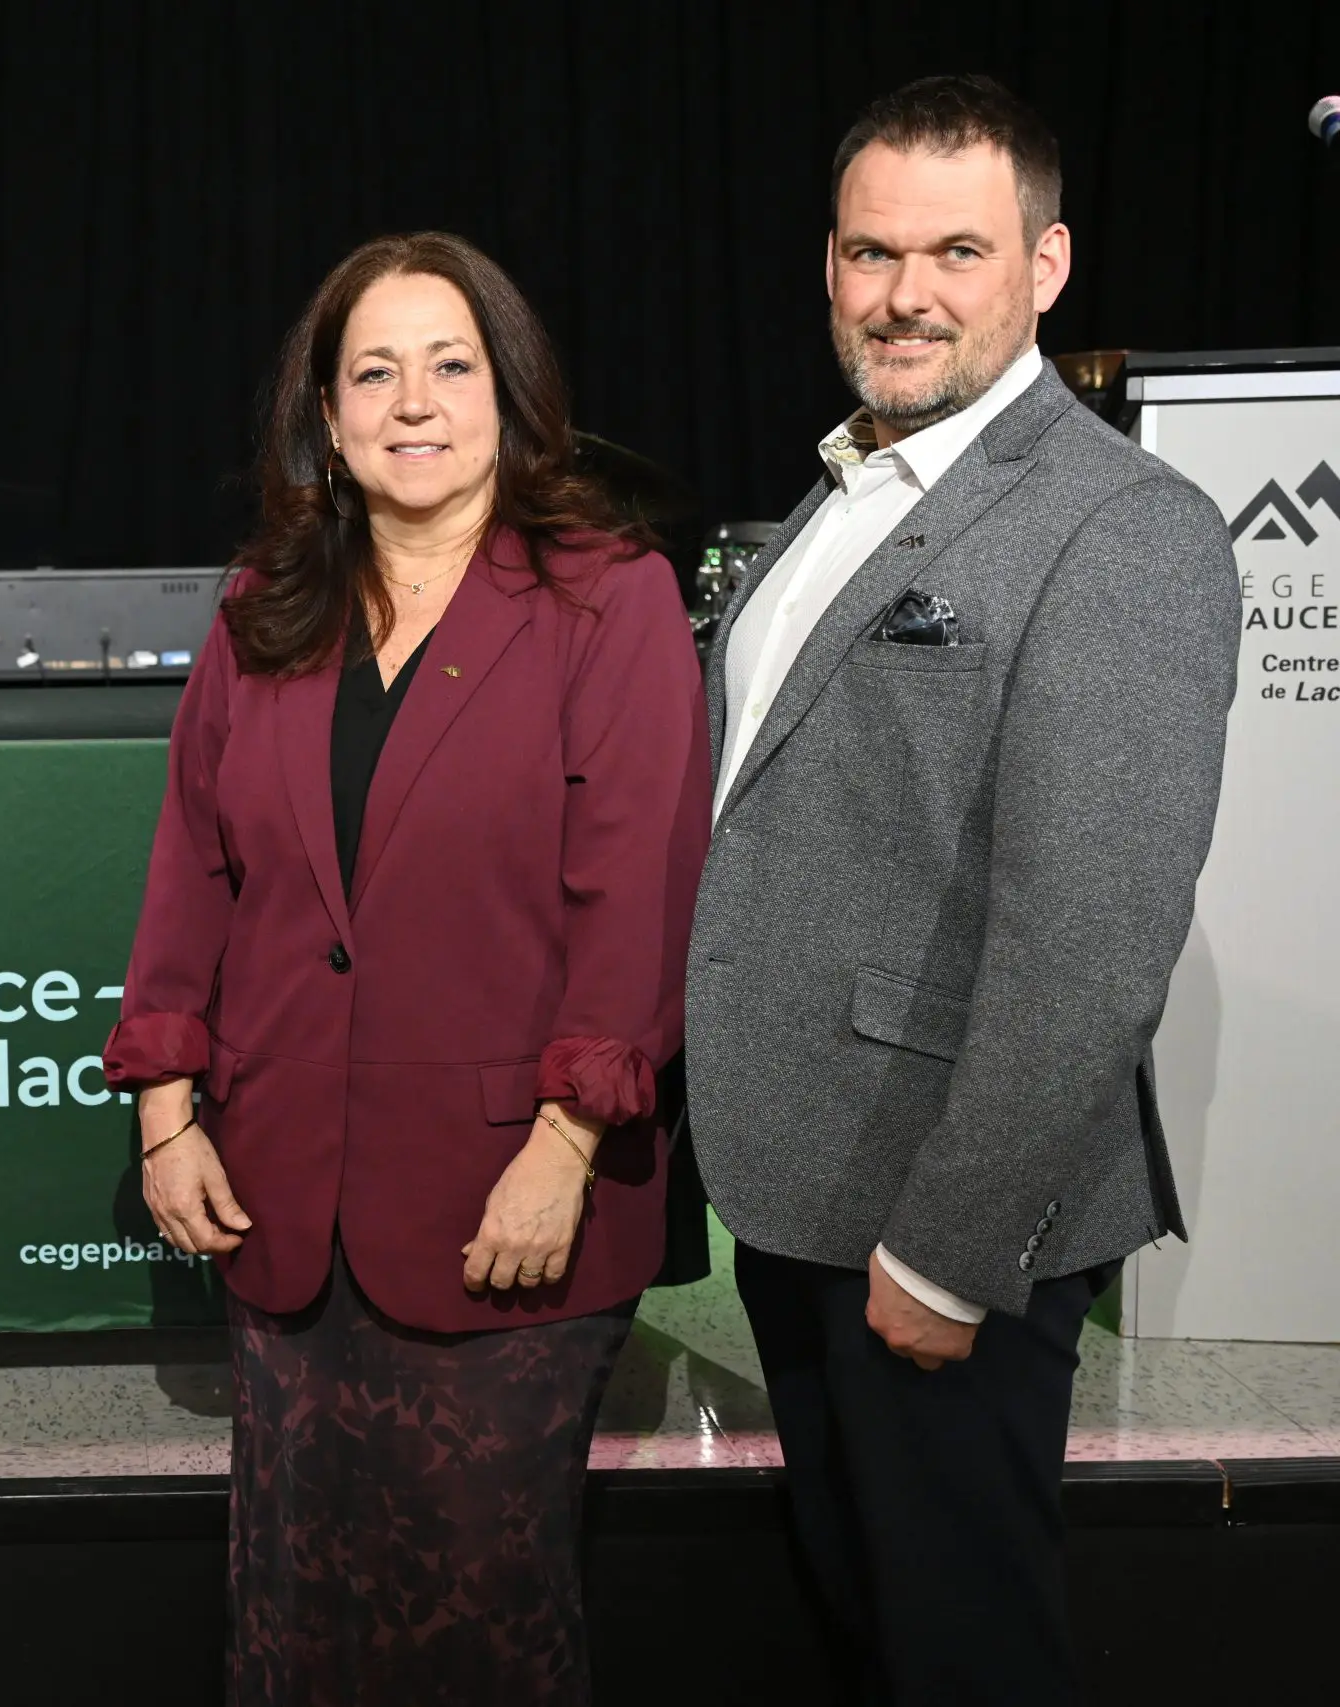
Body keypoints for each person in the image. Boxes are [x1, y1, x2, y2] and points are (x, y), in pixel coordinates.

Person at [685, 75, 1241, 1704]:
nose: (905, 294)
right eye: (873, 252)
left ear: (1046, 266)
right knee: (870, 1628)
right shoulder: (850, 487)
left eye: (957, 252)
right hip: (806, 1190)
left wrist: (951, 1250)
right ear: (829, 265)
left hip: (940, 1216)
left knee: (964, 1653)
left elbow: (1091, 941)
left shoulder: (1122, 527)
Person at [105, 232, 711, 1704]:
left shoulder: (606, 598)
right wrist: (167, 1110)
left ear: (512, 394)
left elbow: (637, 896)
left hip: (511, 1203)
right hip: (283, 1197)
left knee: (478, 1621)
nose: (414, 401)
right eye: (374, 372)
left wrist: (566, 1146)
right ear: (326, 414)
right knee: (293, 1613)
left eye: (451, 364)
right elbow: (194, 868)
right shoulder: (266, 604)